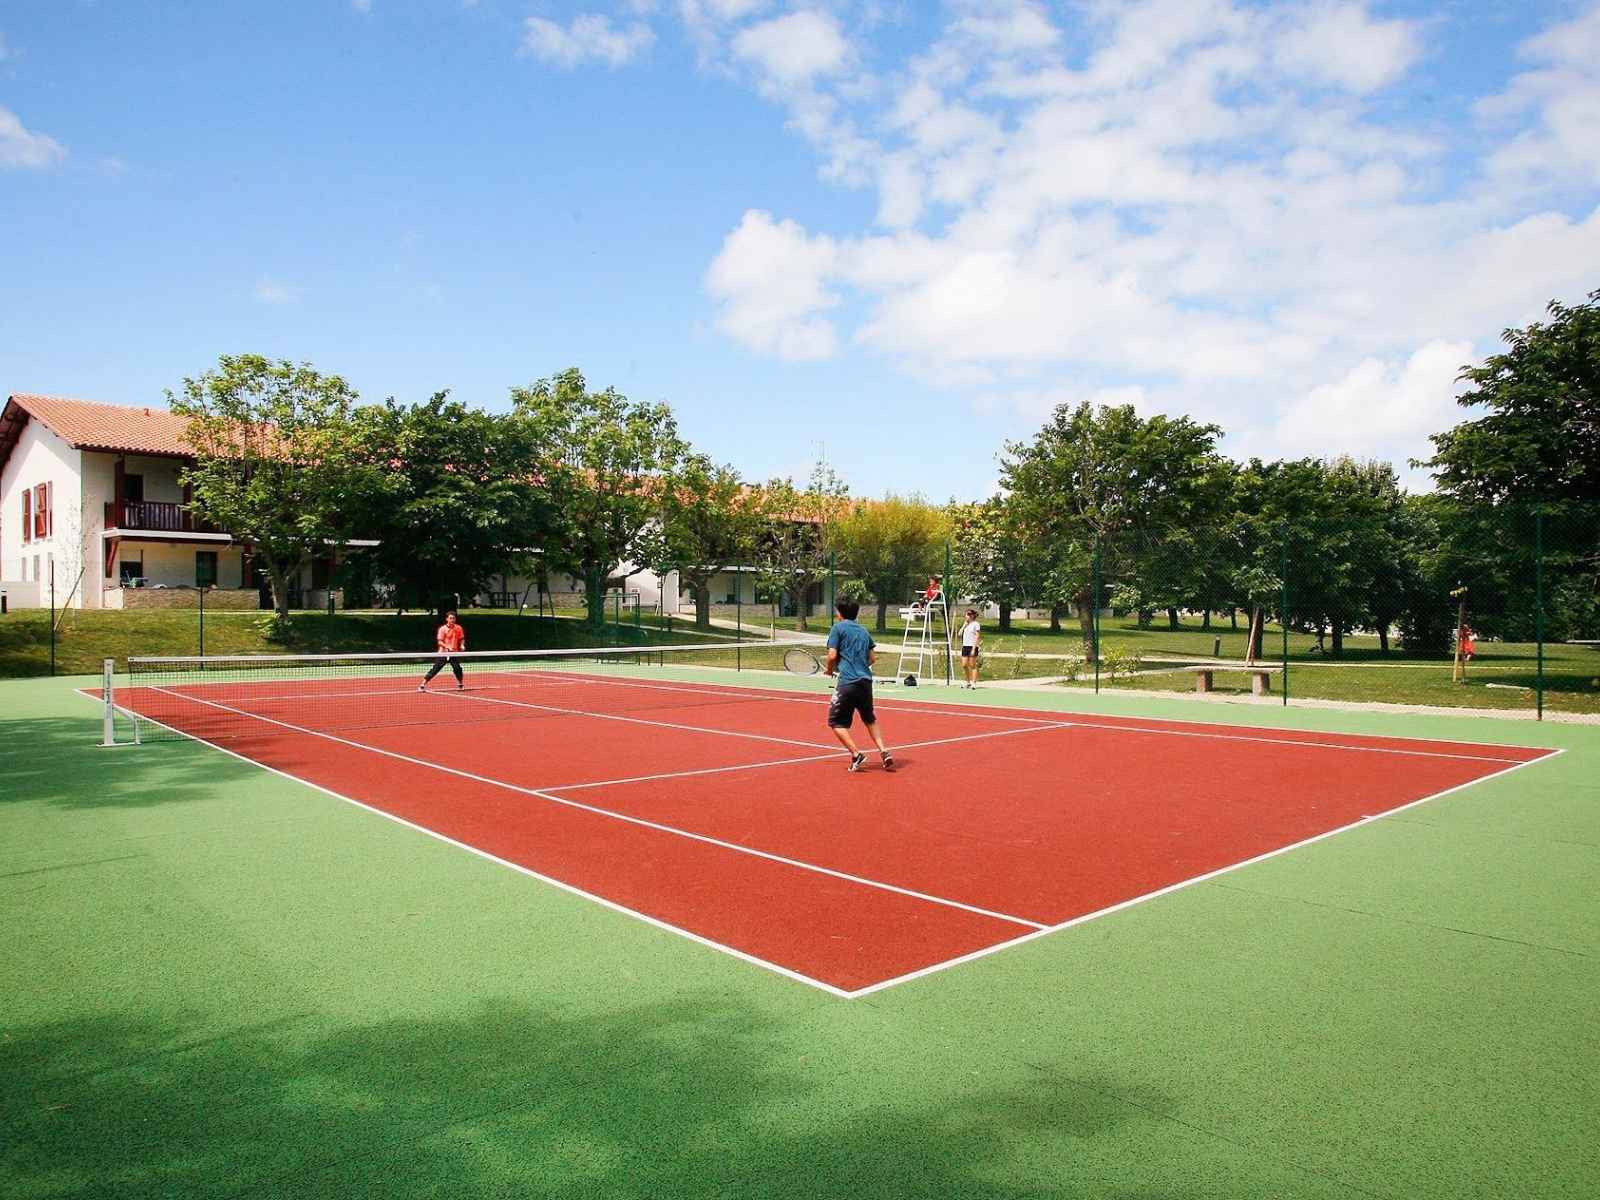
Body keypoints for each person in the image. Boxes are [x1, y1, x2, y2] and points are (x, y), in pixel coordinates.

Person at [825, 599, 893, 772]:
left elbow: (832, 655)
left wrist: (829, 670)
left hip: (848, 682)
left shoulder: (837, 628)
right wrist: (859, 667)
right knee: (870, 719)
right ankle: (884, 751)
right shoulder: (863, 631)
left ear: (840, 613)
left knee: (835, 722)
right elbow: (872, 658)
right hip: (865, 682)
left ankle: (856, 754)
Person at [419, 611, 467, 690]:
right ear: (447, 619)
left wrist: (462, 645)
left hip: (454, 653)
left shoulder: (459, 628)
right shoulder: (442, 629)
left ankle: (460, 684)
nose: (452, 620)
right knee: (436, 668)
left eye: (454, 618)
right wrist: (447, 646)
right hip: (443, 653)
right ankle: (423, 684)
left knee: (457, 668)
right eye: (450, 618)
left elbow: (462, 639)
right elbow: (440, 642)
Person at [958, 608, 982, 688]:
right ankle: (967, 682)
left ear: (972, 616)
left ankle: (973, 682)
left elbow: (977, 637)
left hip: (972, 646)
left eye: (968, 614)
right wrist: (964, 626)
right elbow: (959, 634)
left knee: (972, 665)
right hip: (965, 646)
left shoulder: (976, 624)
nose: (966, 616)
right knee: (964, 665)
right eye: (966, 614)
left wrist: (974, 649)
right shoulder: (966, 625)